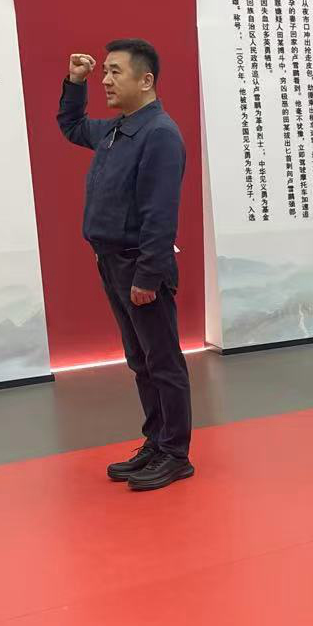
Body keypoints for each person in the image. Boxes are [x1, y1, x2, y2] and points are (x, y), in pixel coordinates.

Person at [59, 42, 193, 492]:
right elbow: (72, 125)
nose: (106, 80)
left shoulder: (159, 134)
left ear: (146, 80)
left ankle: (175, 453)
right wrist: (75, 81)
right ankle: (156, 441)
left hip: (139, 265)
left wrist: (148, 275)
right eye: (104, 72)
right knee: (141, 360)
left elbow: (160, 214)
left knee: (163, 361)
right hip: (113, 262)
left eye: (115, 72)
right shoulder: (119, 129)